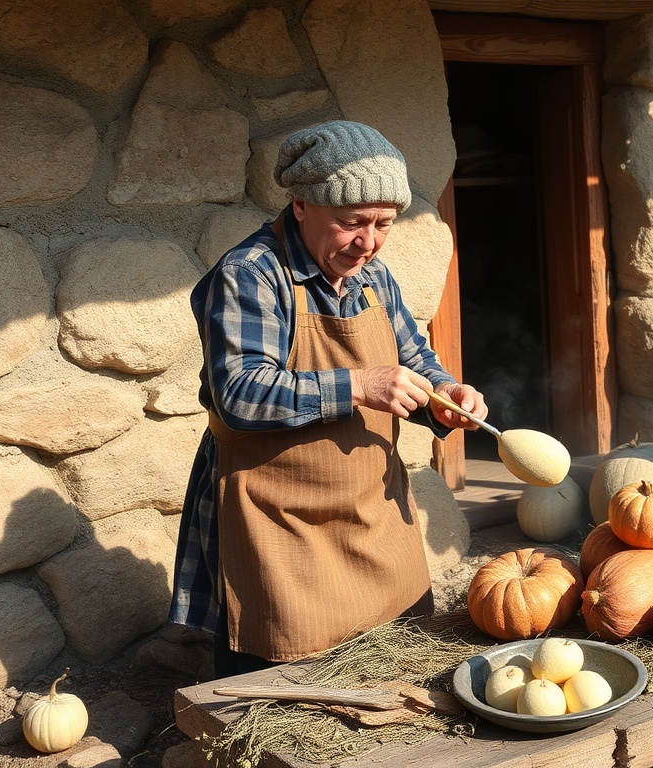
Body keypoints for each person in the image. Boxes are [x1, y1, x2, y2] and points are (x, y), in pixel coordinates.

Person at [169, 120, 488, 678]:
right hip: (278, 516)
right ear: (300, 205)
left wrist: (445, 394)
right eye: (351, 223)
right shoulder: (251, 277)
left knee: (399, 663)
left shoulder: (375, 277)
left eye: (383, 224)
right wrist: (362, 385)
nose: (368, 242)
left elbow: (413, 358)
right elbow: (240, 394)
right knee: (275, 682)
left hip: (369, 508)